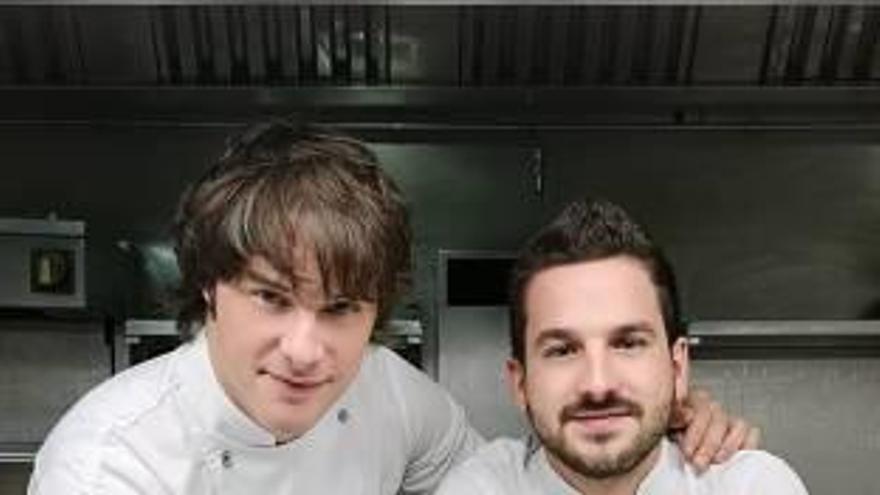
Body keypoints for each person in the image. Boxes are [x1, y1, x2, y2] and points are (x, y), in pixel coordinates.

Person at [30, 122, 759, 495]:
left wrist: (662, 417)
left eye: (341, 307)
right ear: (208, 288)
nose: (305, 348)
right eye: (272, 298)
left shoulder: (386, 391)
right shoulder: (106, 465)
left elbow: (520, 478)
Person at [436, 198, 808, 495]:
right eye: (563, 350)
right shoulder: (478, 488)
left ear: (677, 368)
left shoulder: (751, 487)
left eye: (628, 343)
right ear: (519, 384)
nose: (598, 385)